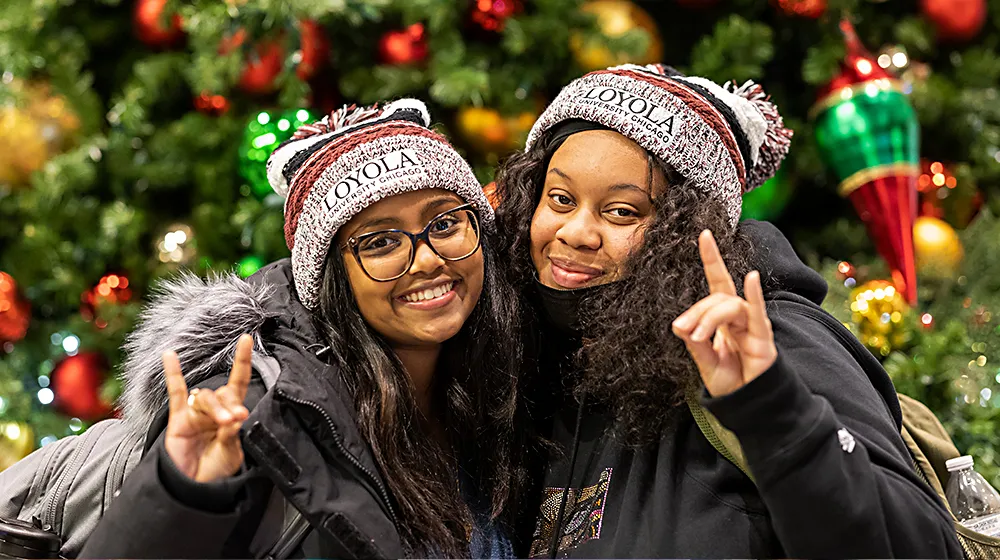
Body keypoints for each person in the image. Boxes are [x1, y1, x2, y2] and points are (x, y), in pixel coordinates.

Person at [494, 63, 963, 558]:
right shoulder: (531, 361)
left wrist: (774, 409)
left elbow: (920, 546)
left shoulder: (765, 338)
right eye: (560, 199)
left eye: (622, 212)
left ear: (683, 228)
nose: (575, 233)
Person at [79, 99, 534, 559]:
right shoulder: (261, 411)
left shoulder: (506, 381)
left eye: (445, 223)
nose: (429, 259)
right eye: (380, 242)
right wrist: (183, 492)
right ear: (331, 276)